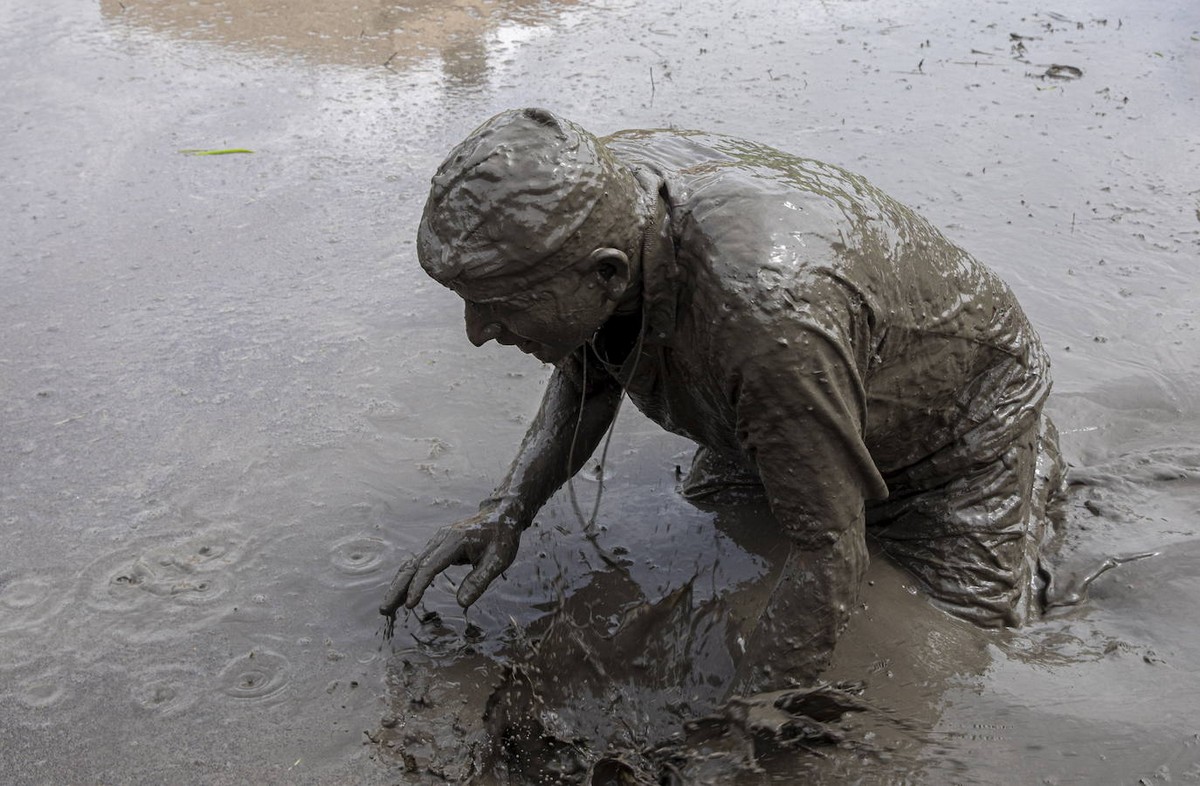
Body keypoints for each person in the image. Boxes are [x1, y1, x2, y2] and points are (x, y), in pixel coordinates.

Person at [381, 107, 1065, 690]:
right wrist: (507, 510)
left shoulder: (765, 313)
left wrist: (757, 713)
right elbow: (591, 361)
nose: (477, 334)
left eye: (498, 305)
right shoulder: (595, 191)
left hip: (962, 434)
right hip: (791, 395)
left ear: (608, 273)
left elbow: (827, 548)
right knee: (726, 545)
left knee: (944, 660)